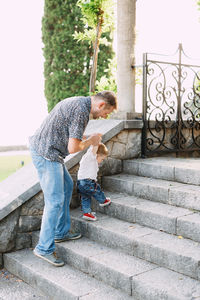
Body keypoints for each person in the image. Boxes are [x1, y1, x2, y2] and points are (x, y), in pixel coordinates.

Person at [29, 91, 117, 267]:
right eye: (106, 113)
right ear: (101, 105)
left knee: (68, 186)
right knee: (54, 201)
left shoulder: (79, 103)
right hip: (46, 154)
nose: (104, 116)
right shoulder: (81, 111)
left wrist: (85, 138)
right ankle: (44, 248)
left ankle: (60, 233)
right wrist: (91, 141)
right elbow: (73, 148)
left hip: (50, 152)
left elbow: (69, 134)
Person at [77, 143, 111, 221]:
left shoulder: (89, 158)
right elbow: (94, 147)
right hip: (87, 182)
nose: (101, 161)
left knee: (85, 197)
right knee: (97, 190)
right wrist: (96, 140)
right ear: (97, 155)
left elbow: (92, 148)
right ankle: (103, 200)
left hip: (80, 183)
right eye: (102, 159)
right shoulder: (91, 156)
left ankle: (87, 213)